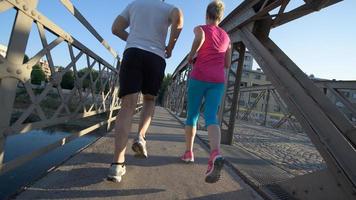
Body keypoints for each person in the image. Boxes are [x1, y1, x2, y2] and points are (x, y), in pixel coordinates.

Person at [108, 0, 184, 183]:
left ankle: (117, 165)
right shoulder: (168, 8)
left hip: (132, 53)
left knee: (127, 106)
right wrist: (170, 47)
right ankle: (141, 137)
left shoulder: (134, 5)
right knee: (149, 100)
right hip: (155, 56)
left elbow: (115, 28)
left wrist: (134, 39)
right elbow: (179, 19)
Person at [180, 0, 232, 183]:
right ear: (220, 16)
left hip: (199, 76)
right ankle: (215, 154)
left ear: (207, 14)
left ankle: (189, 153)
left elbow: (199, 38)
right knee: (211, 116)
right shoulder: (226, 37)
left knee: (192, 115)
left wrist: (191, 55)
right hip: (218, 81)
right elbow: (227, 63)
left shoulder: (201, 28)